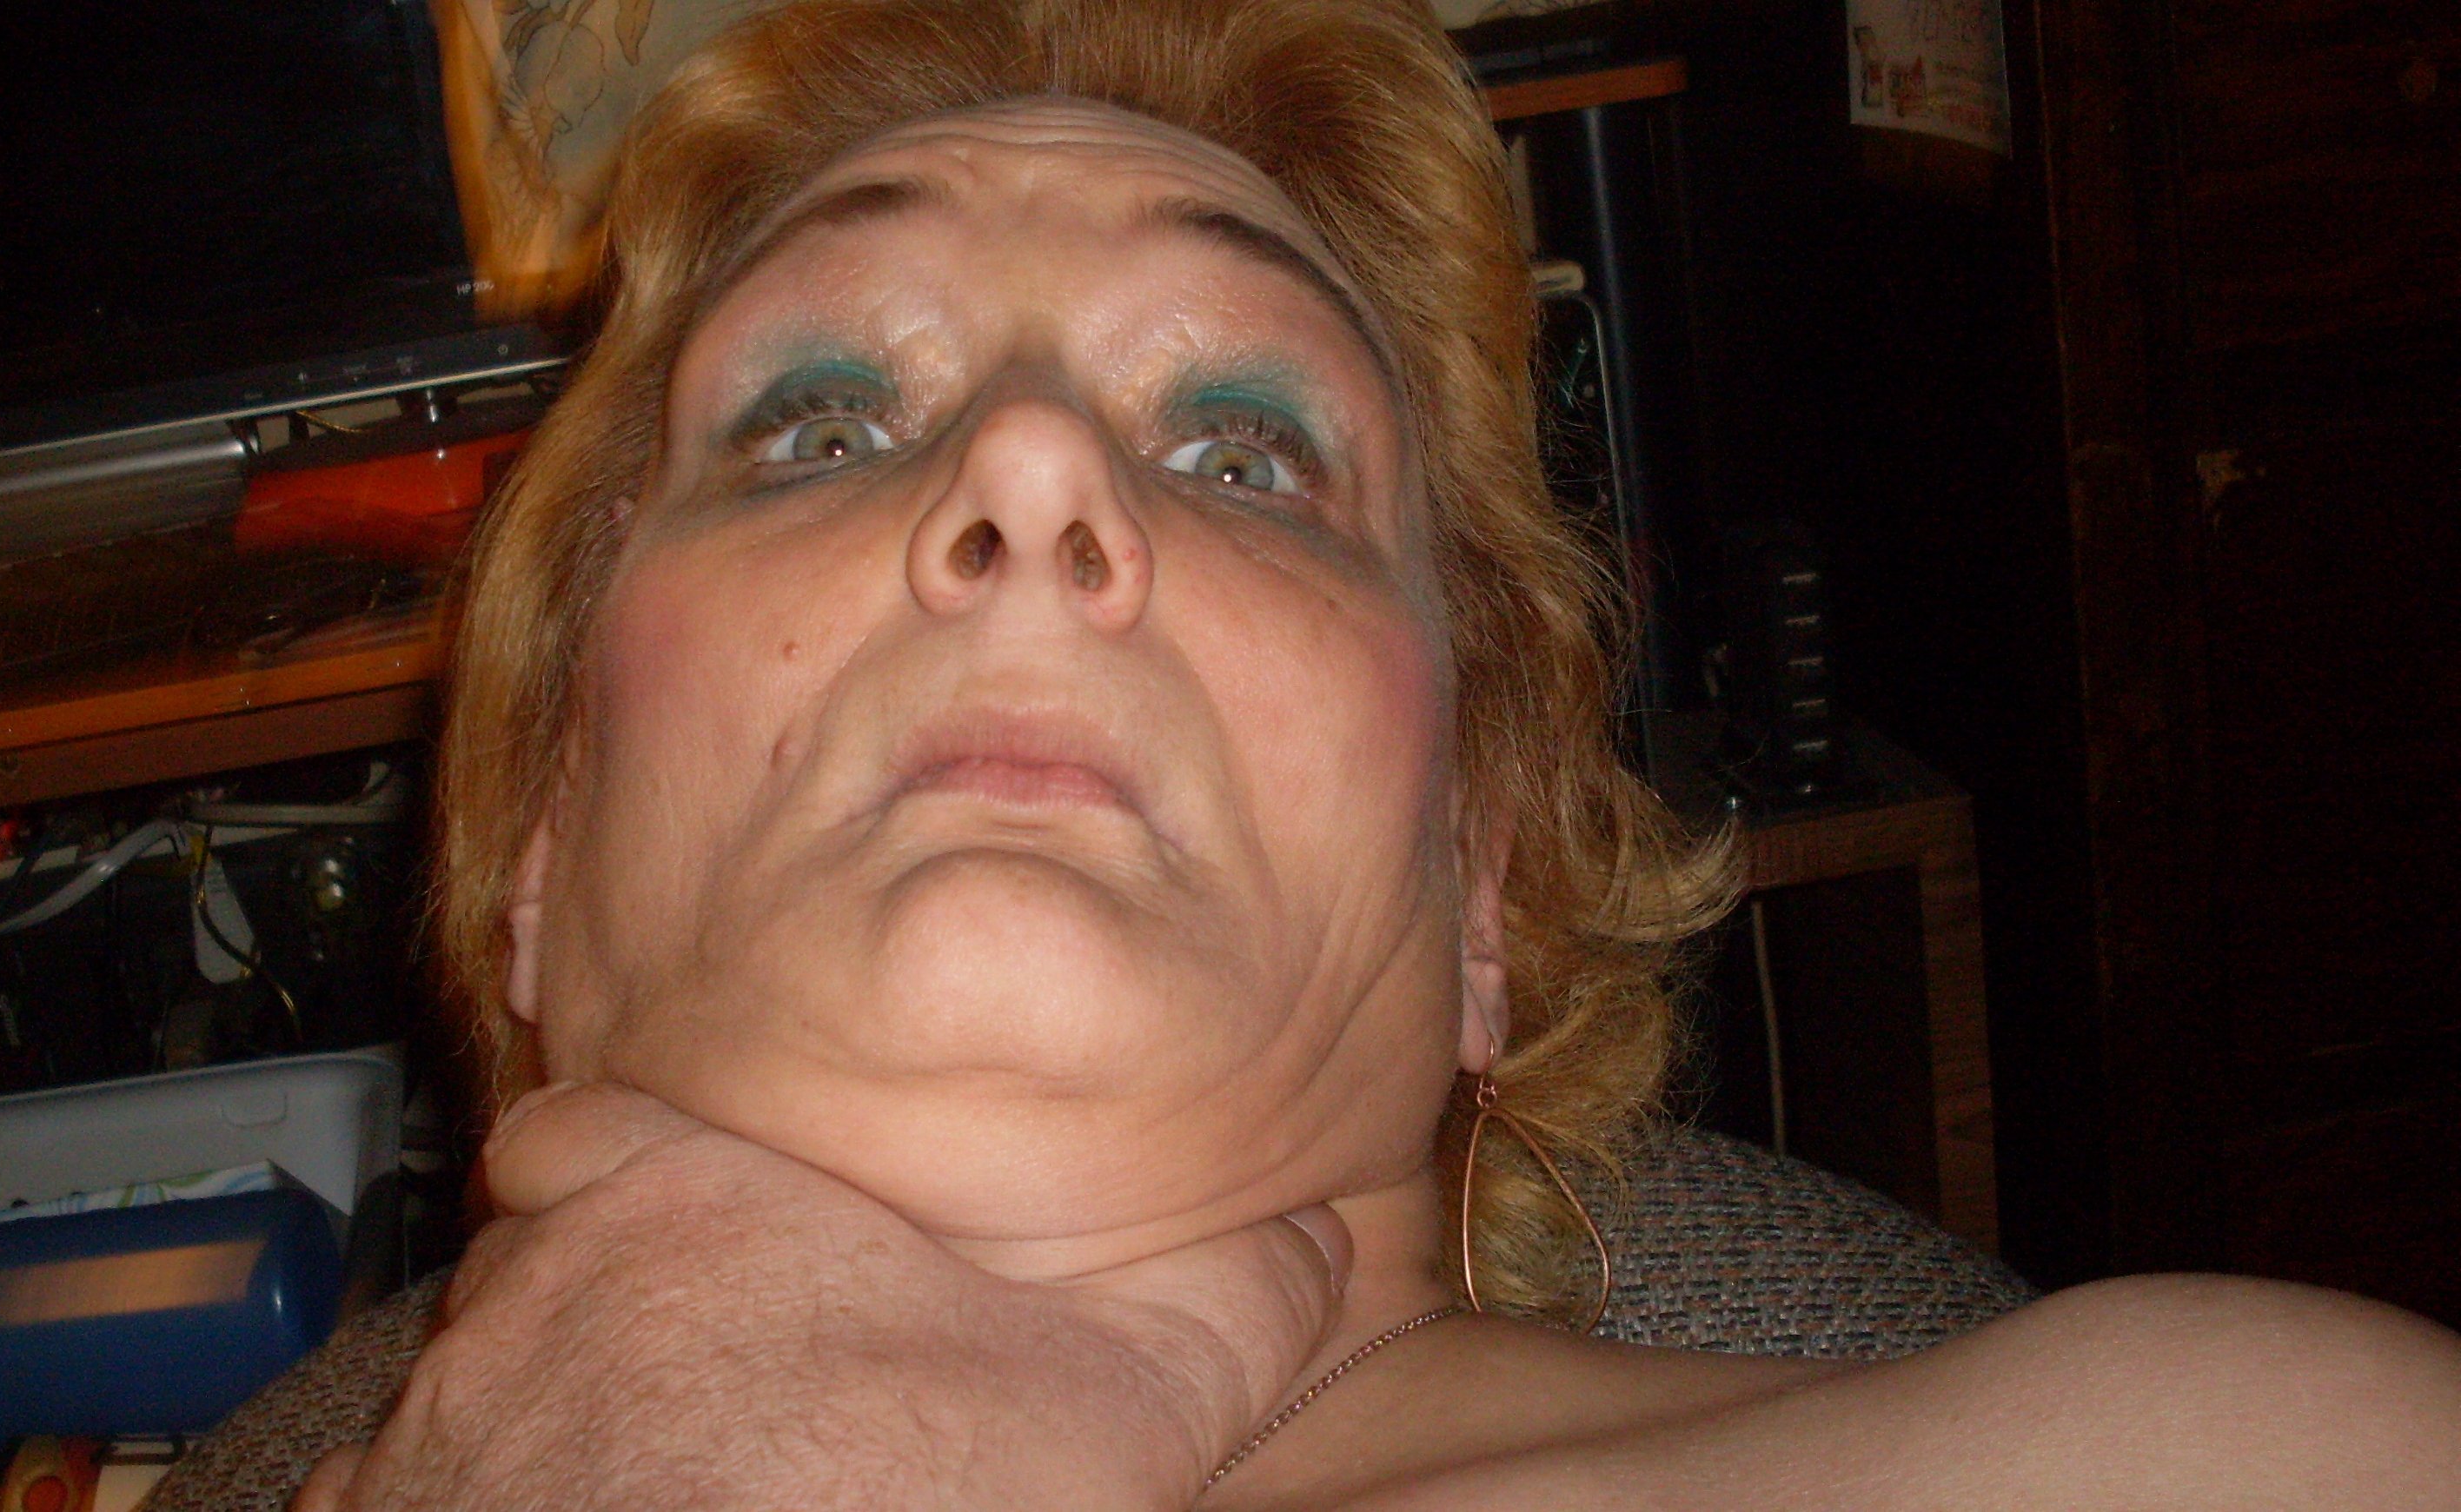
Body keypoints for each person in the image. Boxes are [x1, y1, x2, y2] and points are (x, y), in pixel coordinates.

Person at [297, 0, 2461, 1505]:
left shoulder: (2225, 1458)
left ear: (1478, 879)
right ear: (540, 853)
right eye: (827, 424)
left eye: (1244, 454)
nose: (1033, 466)